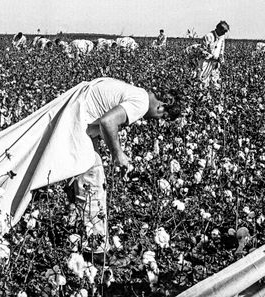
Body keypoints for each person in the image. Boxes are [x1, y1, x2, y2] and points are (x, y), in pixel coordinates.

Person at [67, 78, 182, 246]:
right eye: (162, 116)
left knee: (87, 176)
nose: (157, 120)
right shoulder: (141, 103)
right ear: (162, 105)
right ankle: (95, 248)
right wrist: (117, 154)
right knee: (94, 182)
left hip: (76, 125)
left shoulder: (135, 93)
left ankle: (79, 231)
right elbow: (107, 121)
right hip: (76, 128)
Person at [195, 21, 229, 89]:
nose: (224, 33)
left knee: (215, 82)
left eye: (225, 32)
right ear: (218, 29)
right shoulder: (208, 36)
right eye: (223, 31)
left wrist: (221, 59)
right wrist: (213, 58)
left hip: (215, 63)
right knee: (202, 82)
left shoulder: (222, 37)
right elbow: (202, 52)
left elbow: (221, 50)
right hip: (205, 62)